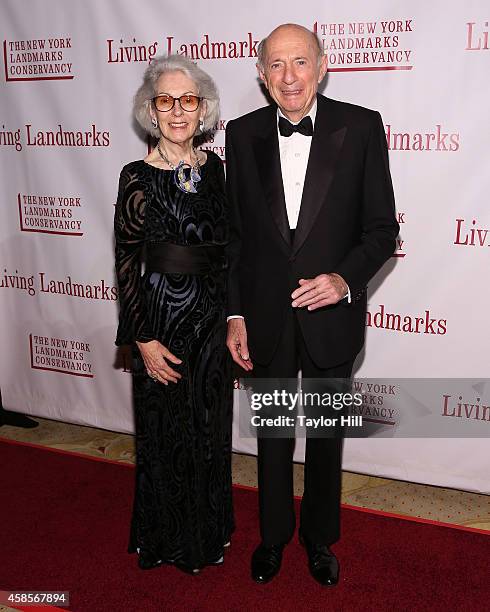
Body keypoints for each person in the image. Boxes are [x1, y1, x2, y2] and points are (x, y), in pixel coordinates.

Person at [225, 24, 399, 585]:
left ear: (322, 67)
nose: (289, 76)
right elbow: (234, 237)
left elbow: (380, 229)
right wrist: (234, 313)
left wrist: (344, 280)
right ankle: (273, 537)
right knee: (274, 437)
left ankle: (320, 539)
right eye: (276, 64)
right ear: (261, 74)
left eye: (300, 62)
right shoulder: (241, 133)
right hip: (266, 317)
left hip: (333, 315)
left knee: (326, 437)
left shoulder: (362, 126)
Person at [114, 54, 234, 574]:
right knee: (165, 433)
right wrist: (140, 337)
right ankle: (165, 539)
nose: (178, 111)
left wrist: (235, 319)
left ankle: (207, 533)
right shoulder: (136, 176)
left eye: (189, 100)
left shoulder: (217, 170)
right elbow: (125, 260)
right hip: (160, 317)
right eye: (167, 101)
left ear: (203, 109)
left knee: (210, 429)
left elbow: (228, 250)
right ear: (151, 110)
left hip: (211, 319)